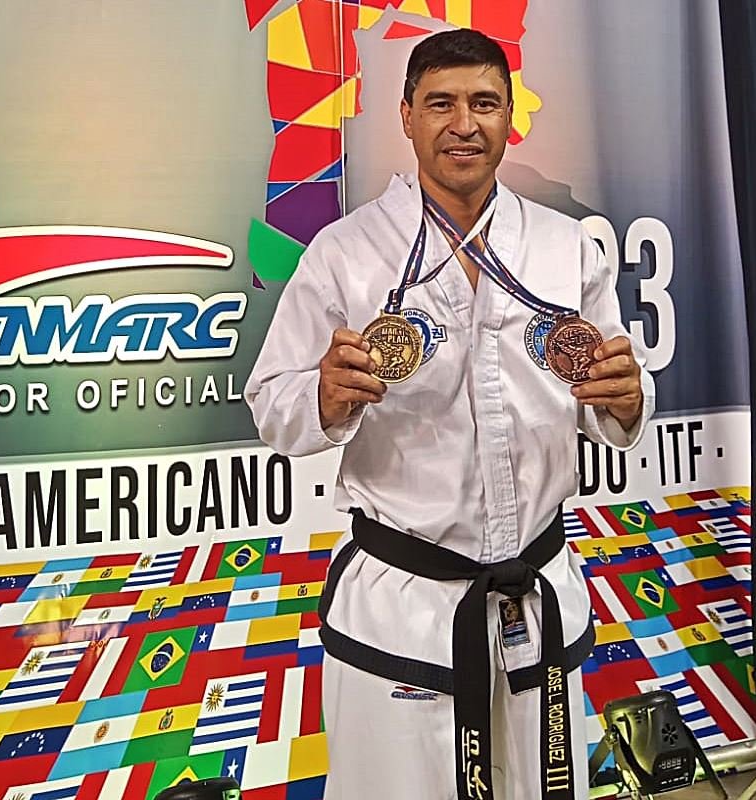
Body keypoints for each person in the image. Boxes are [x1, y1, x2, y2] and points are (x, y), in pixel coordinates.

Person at [244, 28, 654, 800]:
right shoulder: (345, 253)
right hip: (406, 609)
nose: (464, 124)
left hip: (535, 598)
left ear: (510, 117)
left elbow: (613, 399)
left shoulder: (566, 248)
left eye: (484, 103)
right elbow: (273, 404)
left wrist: (629, 401)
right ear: (406, 116)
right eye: (441, 104)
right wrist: (323, 399)